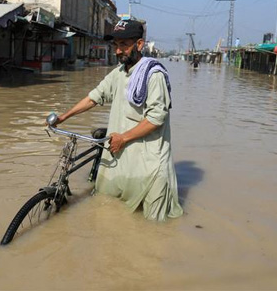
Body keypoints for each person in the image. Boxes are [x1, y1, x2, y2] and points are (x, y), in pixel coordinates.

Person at [53, 19, 183, 221]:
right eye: (115, 45)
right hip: (122, 154)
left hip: (149, 160)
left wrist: (123, 138)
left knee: (154, 225)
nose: (118, 51)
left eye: (124, 45)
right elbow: (93, 97)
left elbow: (156, 119)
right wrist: (63, 116)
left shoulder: (153, 75)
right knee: (108, 212)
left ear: (139, 45)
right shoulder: (118, 74)